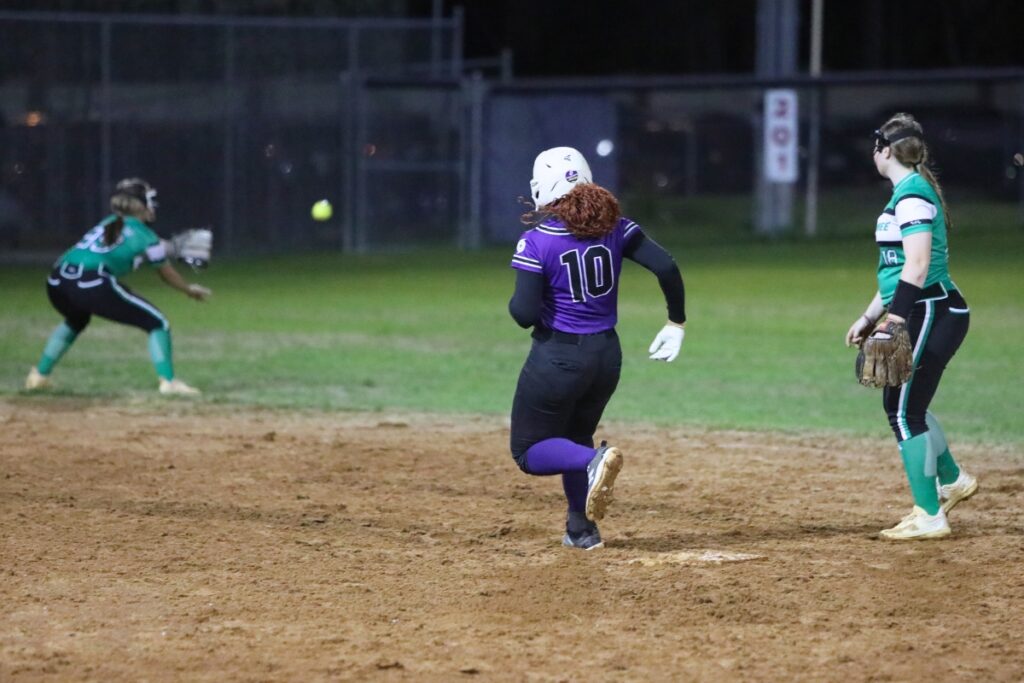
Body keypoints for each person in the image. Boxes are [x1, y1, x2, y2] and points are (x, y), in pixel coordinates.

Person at [508, 147, 687, 550]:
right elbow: (666, 266)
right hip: (607, 356)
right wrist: (676, 322)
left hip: (558, 357)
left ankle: (592, 464)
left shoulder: (537, 240)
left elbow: (523, 313)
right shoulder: (616, 227)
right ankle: (581, 530)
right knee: (576, 434)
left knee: (529, 450)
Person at [845, 113, 977, 540]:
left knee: (902, 411)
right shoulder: (905, 194)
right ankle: (952, 481)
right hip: (924, 309)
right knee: (909, 406)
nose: (873, 152)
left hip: (930, 311)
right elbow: (895, 269)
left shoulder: (912, 197)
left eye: (876, 145)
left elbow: (918, 267)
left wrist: (895, 319)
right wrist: (869, 317)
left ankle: (930, 515)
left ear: (885, 150)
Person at [24, 178, 211, 395]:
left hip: (57, 282)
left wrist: (169, 247)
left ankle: (38, 376)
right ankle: (168, 382)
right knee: (158, 323)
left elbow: (132, 242)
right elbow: (165, 272)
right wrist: (188, 289)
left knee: (76, 319)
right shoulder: (145, 235)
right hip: (91, 282)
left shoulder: (109, 222)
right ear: (143, 205)